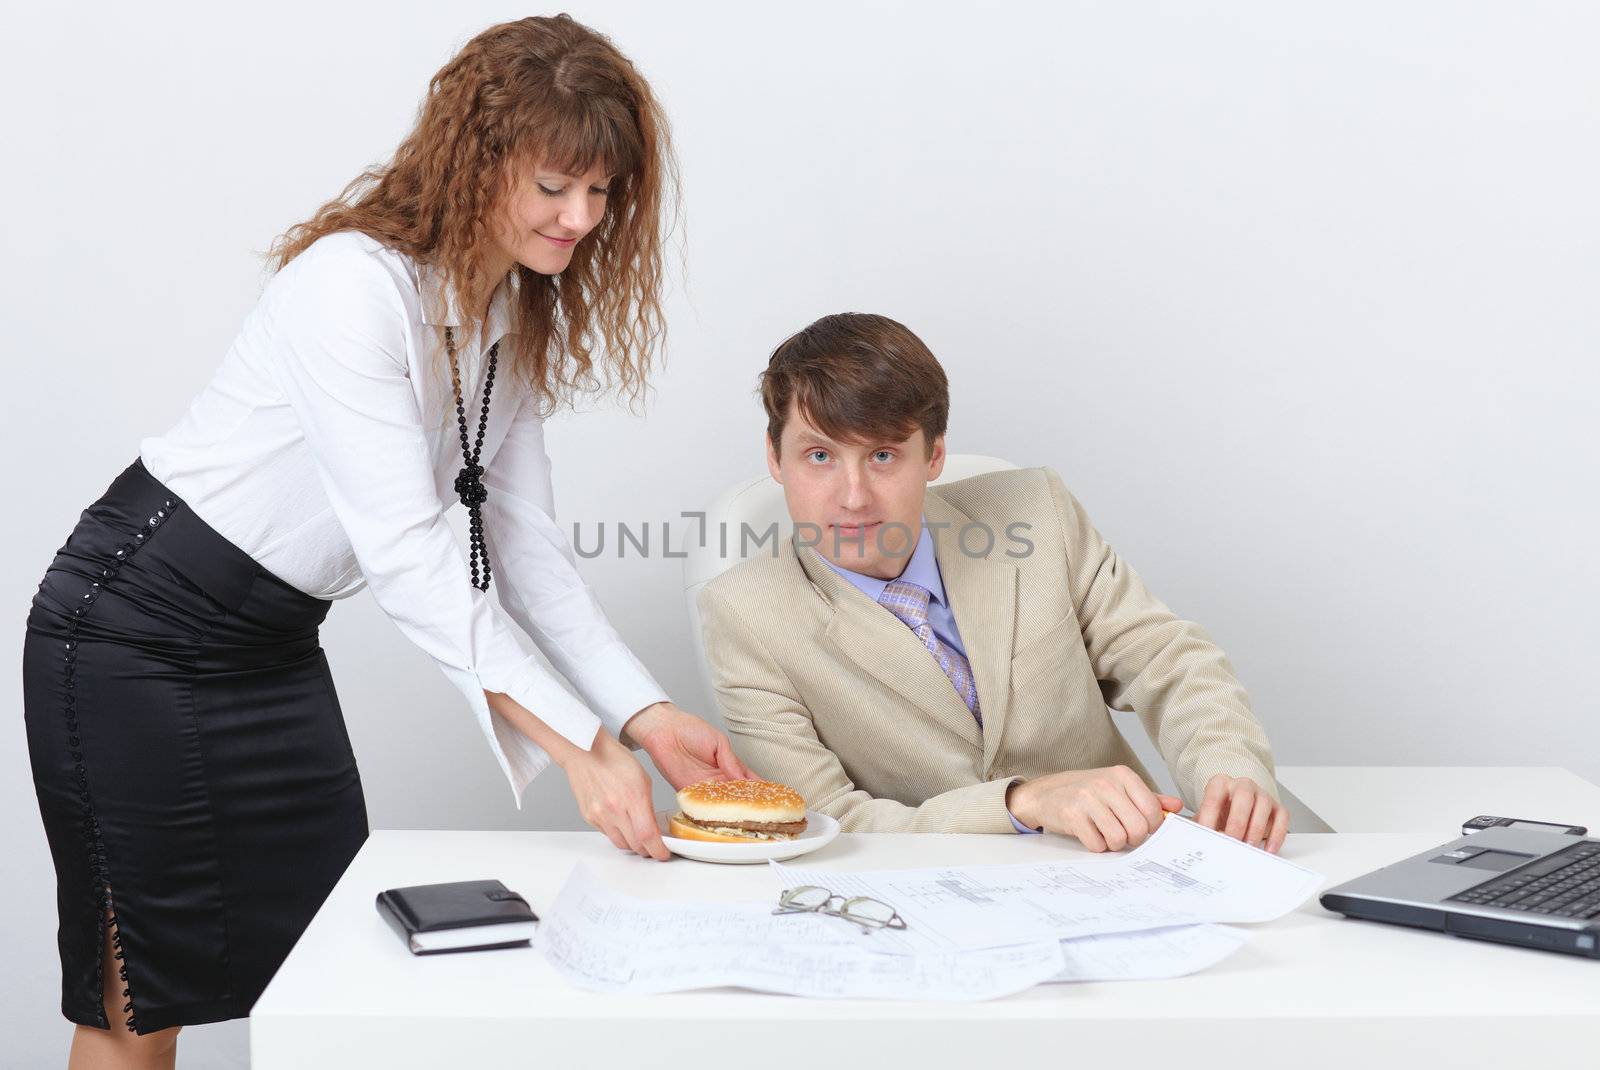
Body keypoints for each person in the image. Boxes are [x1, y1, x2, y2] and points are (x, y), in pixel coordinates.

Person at [22, 16, 751, 1068]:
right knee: (140, 990)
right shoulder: (349, 285)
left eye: (601, 191)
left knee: (331, 964)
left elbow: (522, 542)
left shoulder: (510, 313)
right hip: (130, 632)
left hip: (265, 648)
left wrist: (643, 715)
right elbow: (413, 552)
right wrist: (579, 747)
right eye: (555, 185)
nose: (582, 217)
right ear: (478, 157)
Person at [697, 312, 1288, 852]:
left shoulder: (1035, 511)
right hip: (926, 900)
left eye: (882, 456)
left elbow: (1166, 658)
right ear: (775, 459)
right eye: (820, 457)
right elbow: (827, 821)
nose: (852, 498)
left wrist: (1226, 770)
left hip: (1120, 861)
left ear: (933, 457)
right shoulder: (743, 616)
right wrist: (1020, 802)